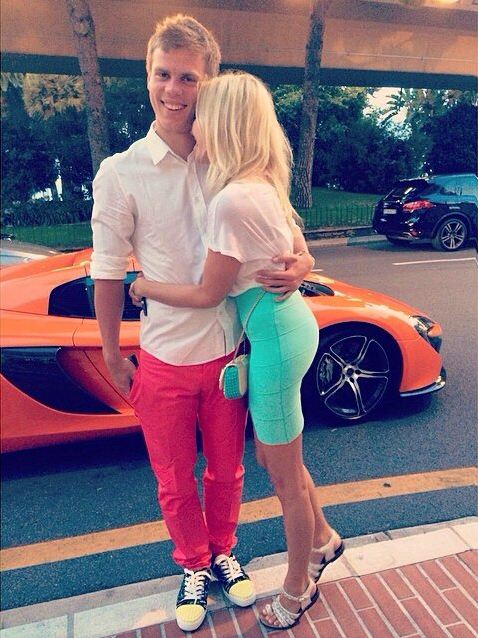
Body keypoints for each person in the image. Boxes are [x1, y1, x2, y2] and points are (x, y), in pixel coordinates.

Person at [90, 14, 314, 633]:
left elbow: (280, 228)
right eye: (162, 74)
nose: (173, 89)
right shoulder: (121, 171)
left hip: (227, 351)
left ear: (207, 83)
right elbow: (106, 270)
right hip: (163, 355)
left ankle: (222, 551)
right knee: (172, 478)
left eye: (188, 78)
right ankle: (192, 562)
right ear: (148, 76)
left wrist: (301, 264)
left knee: (228, 471)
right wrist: (111, 354)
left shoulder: (227, 161)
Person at [128, 71, 345, 631]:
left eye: (202, 114)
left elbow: (208, 293)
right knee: (278, 459)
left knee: (283, 477)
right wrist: (302, 263)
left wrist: (145, 285)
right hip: (285, 329)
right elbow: (298, 247)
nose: (194, 122)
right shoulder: (260, 182)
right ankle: (324, 537)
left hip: (275, 340)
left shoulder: (231, 201)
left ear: (223, 123)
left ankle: (298, 588)